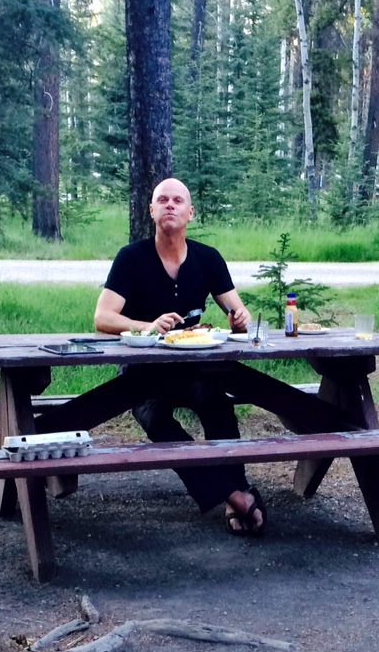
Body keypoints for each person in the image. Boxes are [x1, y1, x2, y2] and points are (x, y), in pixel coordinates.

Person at [93, 177, 265, 536]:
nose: (170, 205)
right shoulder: (131, 258)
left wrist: (239, 320)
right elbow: (103, 317)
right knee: (157, 421)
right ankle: (236, 497)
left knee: (217, 404)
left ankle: (234, 489)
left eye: (177, 200)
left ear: (190, 212)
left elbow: (238, 314)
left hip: (193, 369)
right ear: (151, 210)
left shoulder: (207, 258)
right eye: (162, 200)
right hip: (142, 374)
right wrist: (147, 326)